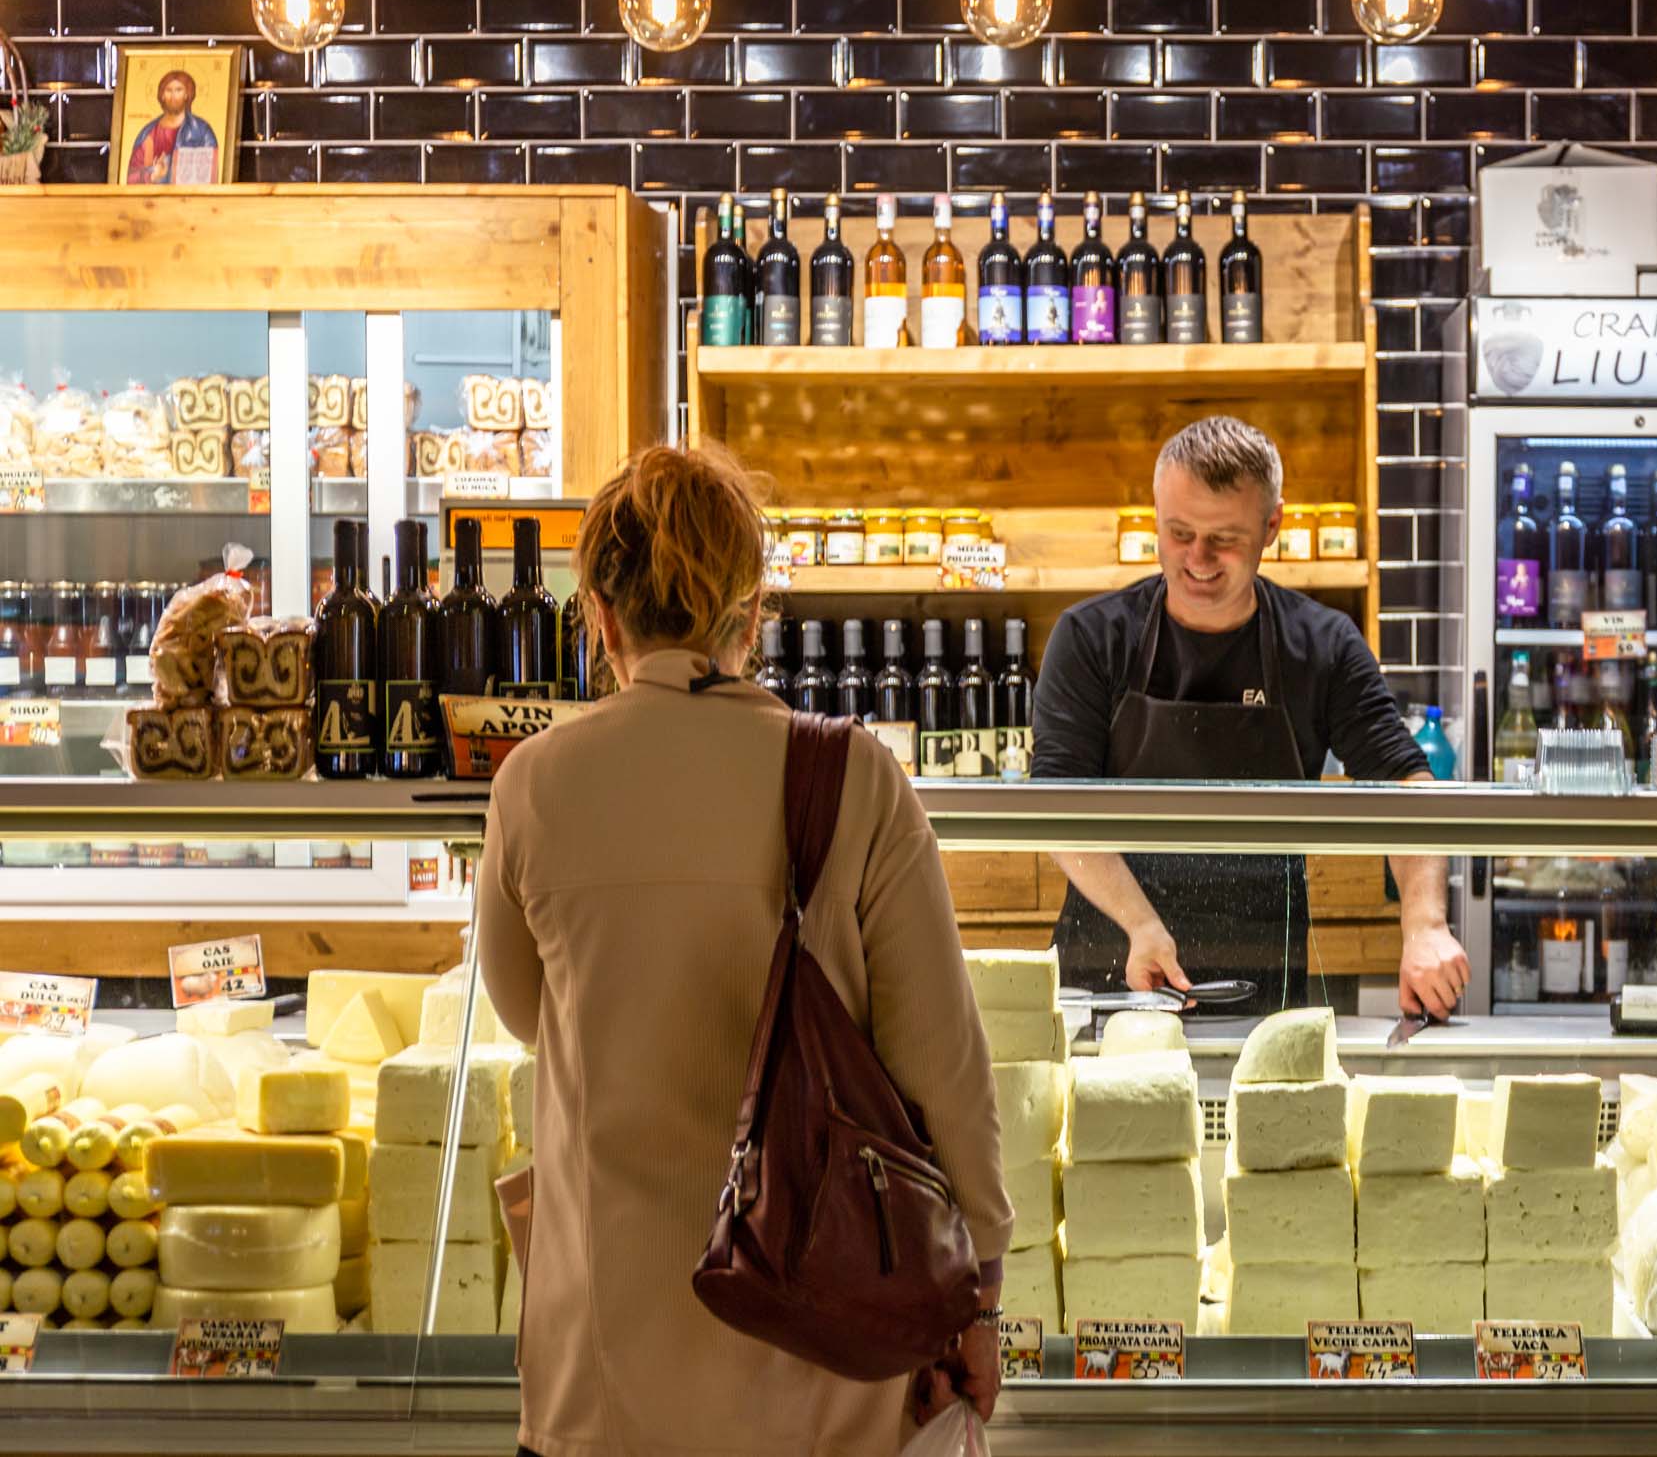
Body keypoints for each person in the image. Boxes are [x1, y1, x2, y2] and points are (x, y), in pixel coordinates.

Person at [477, 445, 1013, 1457]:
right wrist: (977, 1290)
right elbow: (944, 1068)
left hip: (604, 1379)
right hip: (826, 1355)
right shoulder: (851, 775)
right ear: (750, 612)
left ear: (597, 611)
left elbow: (523, 1012)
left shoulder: (534, 784)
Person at [1032, 416, 1472, 1018]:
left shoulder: (1322, 646)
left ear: (1271, 526)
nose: (1198, 559)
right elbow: (1057, 803)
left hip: (1261, 983)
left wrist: (1425, 925)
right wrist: (1142, 924)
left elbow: (1405, 785)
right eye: (1179, 532)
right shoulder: (1092, 637)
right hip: (1112, 966)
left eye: (1225, 538)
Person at [126, 69, 219, 185]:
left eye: (178, 90)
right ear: (162, 95)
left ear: (187, 94)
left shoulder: (201, 131)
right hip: (152, 200)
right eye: (168, 90)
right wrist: (153, 175)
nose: (173, 96)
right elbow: (131, 176)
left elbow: (211, 173)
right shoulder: (149, 133)